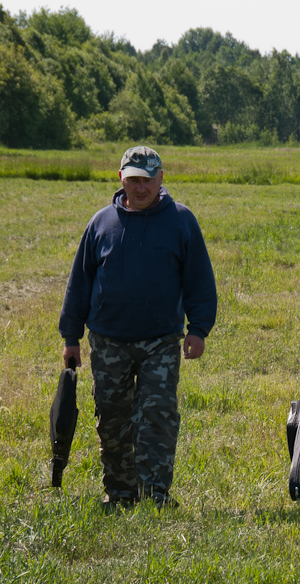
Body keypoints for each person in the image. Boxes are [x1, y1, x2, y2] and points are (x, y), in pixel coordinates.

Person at [58, 146, 217, 509]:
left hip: (161, 340)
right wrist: (71, 337)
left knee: (157, 414)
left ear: (161, 178)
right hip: (107, 341)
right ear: (120, 179)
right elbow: (78, 284)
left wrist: (199, 328)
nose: (140, 187)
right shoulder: (101, 223)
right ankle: (120, 493)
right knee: (111, 417)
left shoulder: (181, 221)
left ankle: (156, 494)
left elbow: (199, 280)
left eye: (147, 180)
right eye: (132, 180)